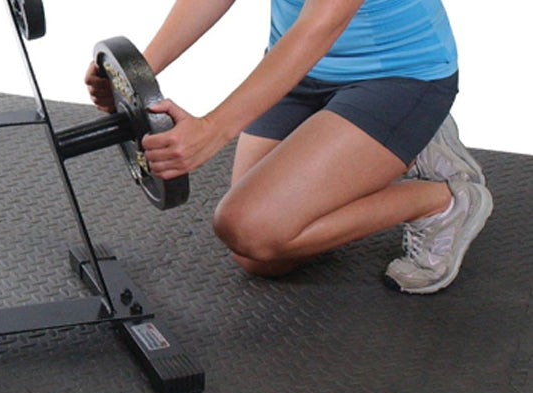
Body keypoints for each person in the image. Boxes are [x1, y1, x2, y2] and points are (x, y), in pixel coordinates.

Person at [85, 0, 492, 294]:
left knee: (250, 228)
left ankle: (441, 200)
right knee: (258, 255)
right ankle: (394, 146)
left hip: (399, 80)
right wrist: (135, 74)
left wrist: (212, 130)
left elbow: (320, 25)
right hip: (302, 74)